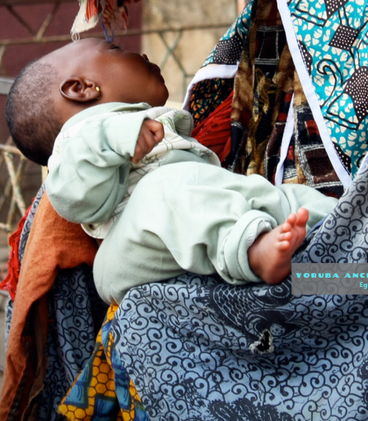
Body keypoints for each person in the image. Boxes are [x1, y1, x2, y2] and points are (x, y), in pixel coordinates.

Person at [5, 38, 337, 304]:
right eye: (115, 49)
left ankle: (358, 235)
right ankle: (253, 251)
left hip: (191, 223)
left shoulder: (147, 123)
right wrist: (116, 136)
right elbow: (71, 196)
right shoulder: (79, 138)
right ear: (82, 88)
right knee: (164, 190)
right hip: (132, 249)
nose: (142, 52)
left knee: (273, 196)